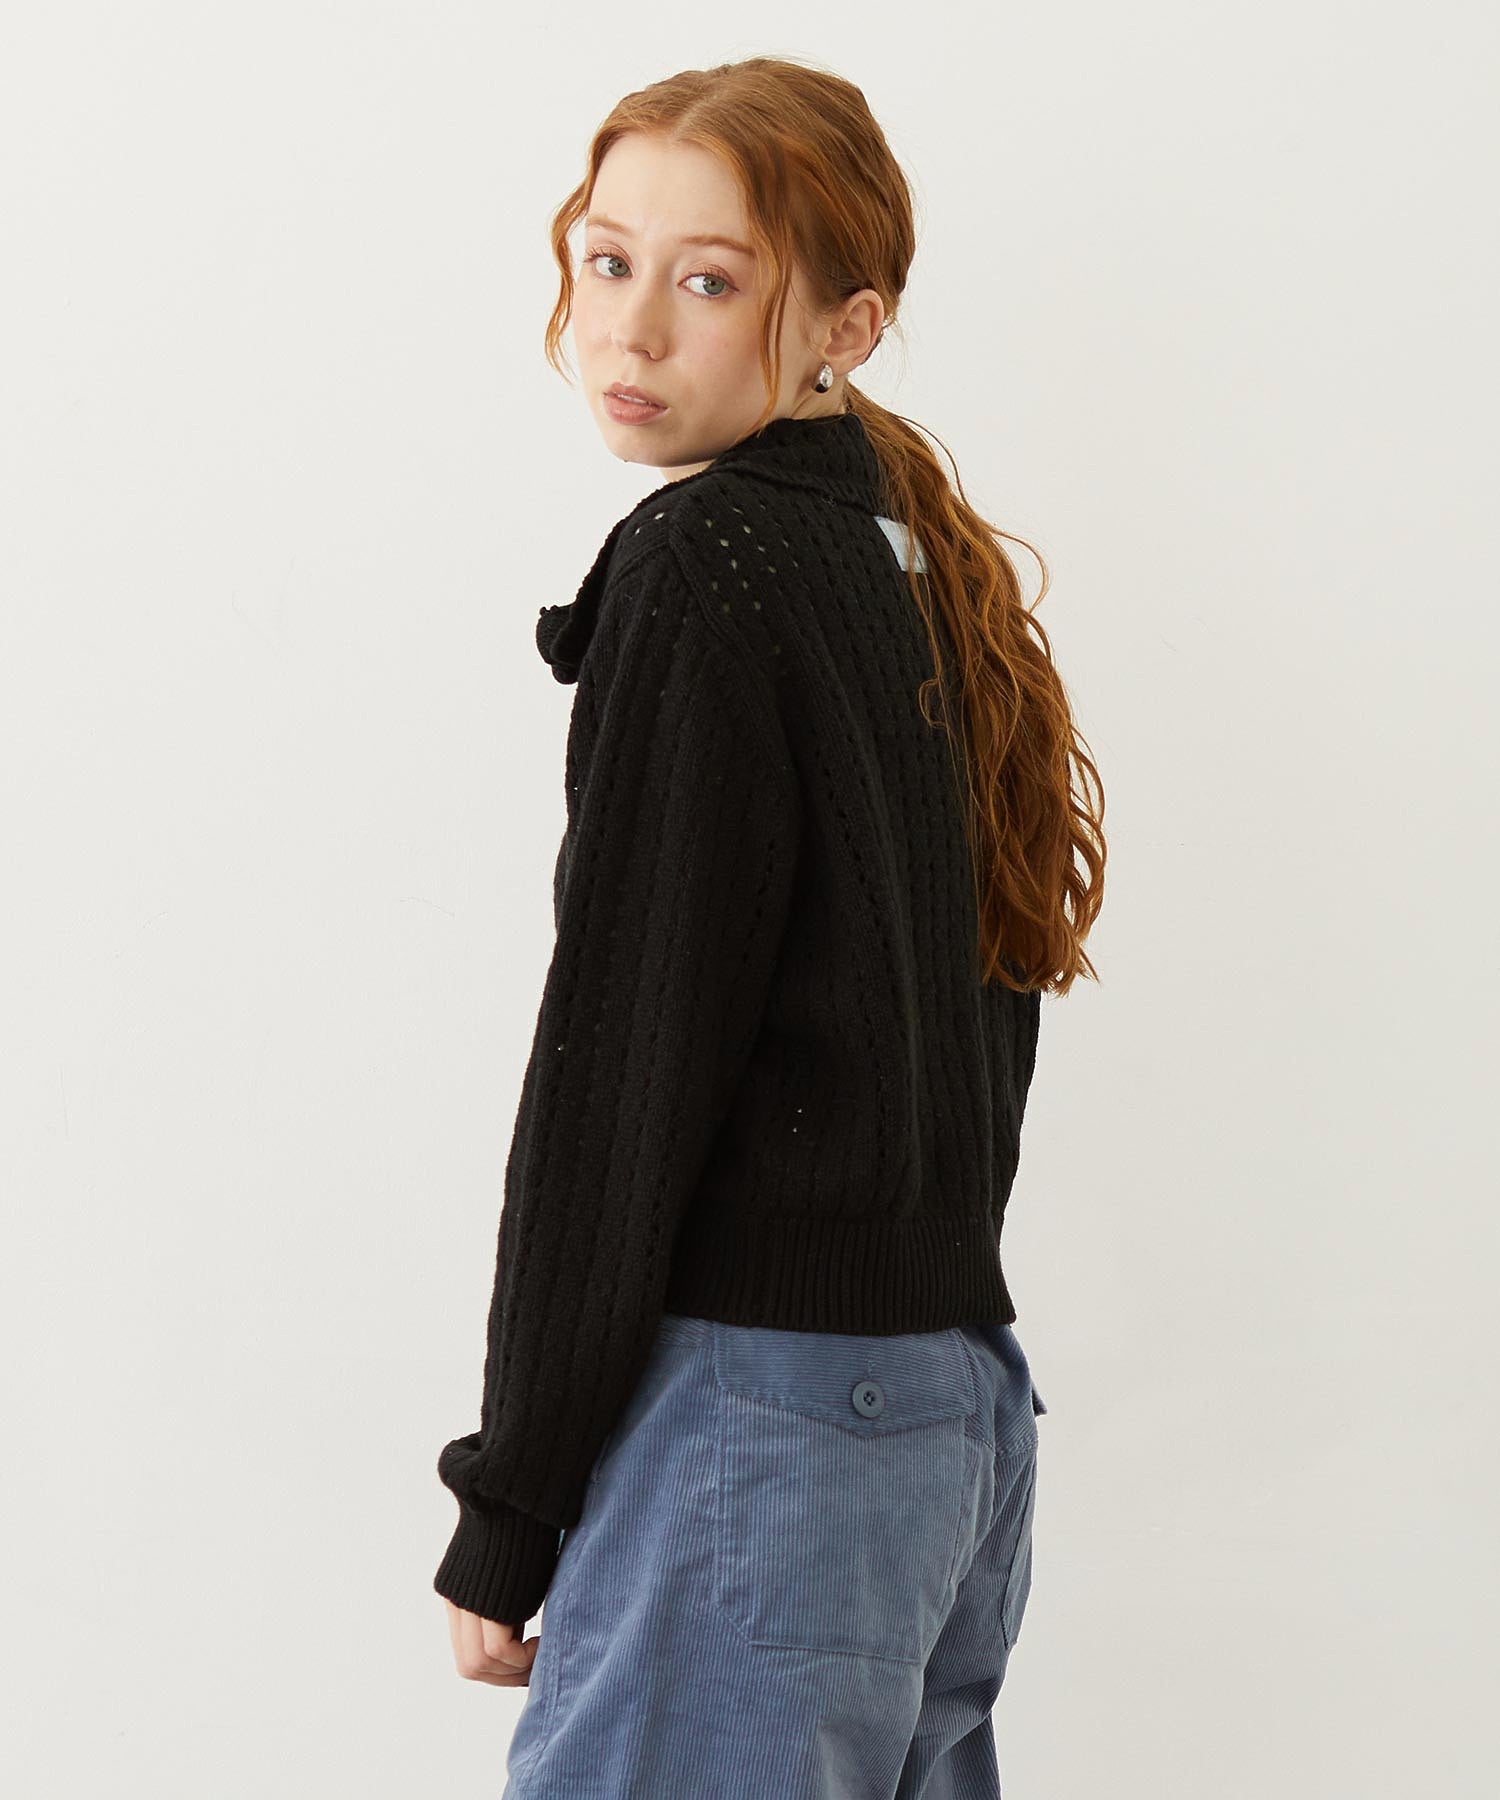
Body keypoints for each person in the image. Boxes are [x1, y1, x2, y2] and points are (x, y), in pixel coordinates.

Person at [434, 53, 1106, 1799]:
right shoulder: (904, 554)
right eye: (607, 259)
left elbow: (621, 1077)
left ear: (845, 327)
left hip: (767, 1424)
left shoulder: (708, 561)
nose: (632, 326)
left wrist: (513, 1498)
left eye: (712, 281)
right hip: (949, 1426)